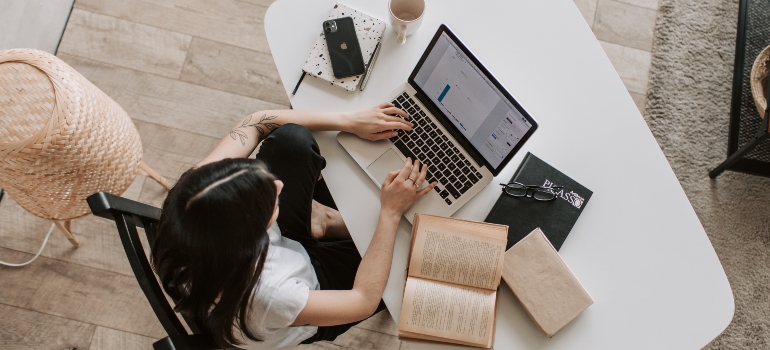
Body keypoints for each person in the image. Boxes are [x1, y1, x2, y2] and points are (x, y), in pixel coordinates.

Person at [151, 103, 437, 349]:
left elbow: (254, 124)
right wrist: (389, 213)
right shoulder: (273, 295)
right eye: (270, 199)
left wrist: (349, 120)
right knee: (411, 254)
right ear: (254, 235)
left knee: (290, 140)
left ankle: (321, 222)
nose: (278, 184)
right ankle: (325, 222)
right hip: (314, 289)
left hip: (273, 255)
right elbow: (362, 299)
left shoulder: (194, 196)